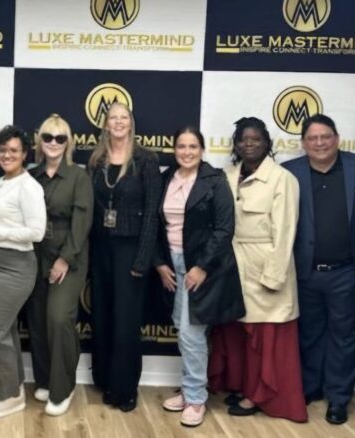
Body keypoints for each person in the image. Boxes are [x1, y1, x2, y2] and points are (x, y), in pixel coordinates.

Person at [281, 114, 355, 425]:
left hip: (347, 272)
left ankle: (338, 398)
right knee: (309, 334)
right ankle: (311, 388)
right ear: (303, 144)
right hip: (305, 272)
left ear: (337, 138)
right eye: (312, 138)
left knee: (345, 336)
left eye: (325, 137)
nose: (320, 143)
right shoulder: (289, 172)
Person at [208, 117, 307, 423]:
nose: (249, 144)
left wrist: (274, 277)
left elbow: (286, 232)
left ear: (267, 143)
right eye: (243, 139)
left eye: (255, 139)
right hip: (232, 266)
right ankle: (242, 385)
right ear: (236, 144)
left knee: (265, 335)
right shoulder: (226, 176)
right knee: (236, 333)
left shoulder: (282, 179)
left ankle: (260, 394)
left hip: (265, 266)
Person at [154, 127, 245, 427]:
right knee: (183, 328)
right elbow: (157, 224)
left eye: (193, 146)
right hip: (174, 263)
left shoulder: (215, 180)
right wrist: (161, 263)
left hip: (203, 268)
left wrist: (201, 267)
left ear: (202, 150)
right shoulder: (167, 177)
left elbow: (224, 228)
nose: (187, 152)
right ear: (174, 149)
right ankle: (190, 389)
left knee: (191, 334)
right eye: (181, 146)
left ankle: (195, 398)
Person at [87, 102, 161, 412]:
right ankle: (104, 379)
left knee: (126, 321)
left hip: (131, 249)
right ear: (105, 125)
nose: (118, 122)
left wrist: (143, 258)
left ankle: (125, 388)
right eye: (112, 118)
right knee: (103, 315)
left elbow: (152, 215)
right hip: (101, 248)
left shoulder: (147, 160)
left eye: (124, 118)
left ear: (131, 124)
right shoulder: (96, 160)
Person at [25, 114, 93, 416]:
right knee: (38, 321)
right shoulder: (30, 175)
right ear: (40, 142)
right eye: (48, 137)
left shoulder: (79, 177)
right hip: (35, 254)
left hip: (69, 256)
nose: (53, 143)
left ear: (68, 143)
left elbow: (82, 223)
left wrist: (65, 258)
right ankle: (44, 379)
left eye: (60, 138)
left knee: (58, 319)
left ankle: (62, 388)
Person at [0, 124, 47, 419]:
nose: (7, 155)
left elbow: (37, 232)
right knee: (2, 331)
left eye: (13, 150)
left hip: (15, 266)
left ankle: (6, 397)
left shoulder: (29, 186)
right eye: (2, 150)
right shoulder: (3, 180)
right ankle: (13, 387)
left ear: (25, 154)